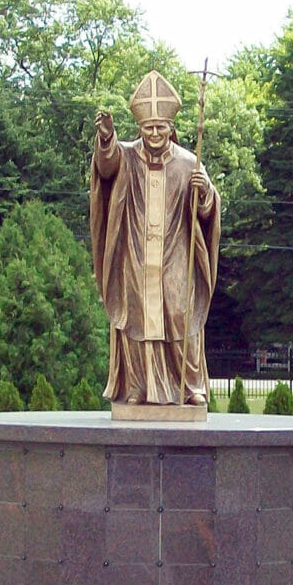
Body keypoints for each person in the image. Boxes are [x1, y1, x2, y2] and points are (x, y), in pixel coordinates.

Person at [89, 71, 220, 407]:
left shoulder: (189, 162)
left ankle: (190, 386)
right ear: (140, 128)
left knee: (180, 313)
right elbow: (106, 166)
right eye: (149, 128)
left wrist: (205, 192)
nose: (155, 133)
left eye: (161, 127)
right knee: (136, 317)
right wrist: (106, 137)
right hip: (135, 253)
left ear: (170, 127)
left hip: (176, 253)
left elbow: (207, 211)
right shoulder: (127, 155)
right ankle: (137, 386)